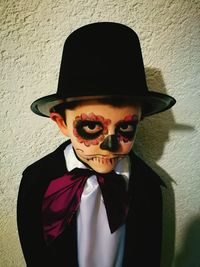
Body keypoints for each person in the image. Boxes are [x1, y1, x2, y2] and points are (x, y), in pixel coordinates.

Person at [17, 22, 176, 267]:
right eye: (91, 127)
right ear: (61, 123)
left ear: (139, 121)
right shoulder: (36, 181)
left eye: (125, 128)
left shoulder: (148, 187)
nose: (109, 145)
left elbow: (149, 253)